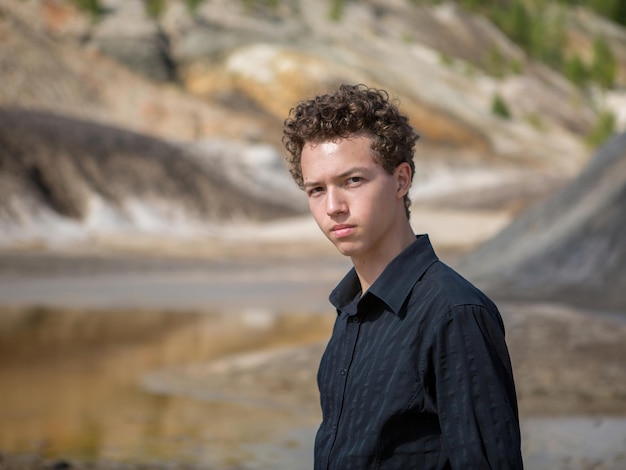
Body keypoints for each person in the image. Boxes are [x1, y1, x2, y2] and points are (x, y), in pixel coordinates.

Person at [282, 84, 523, 469]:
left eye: (353, 181)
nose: (333, 207)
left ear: (401, 180)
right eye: (316, 189)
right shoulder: (350, 312)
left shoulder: (454, 312)